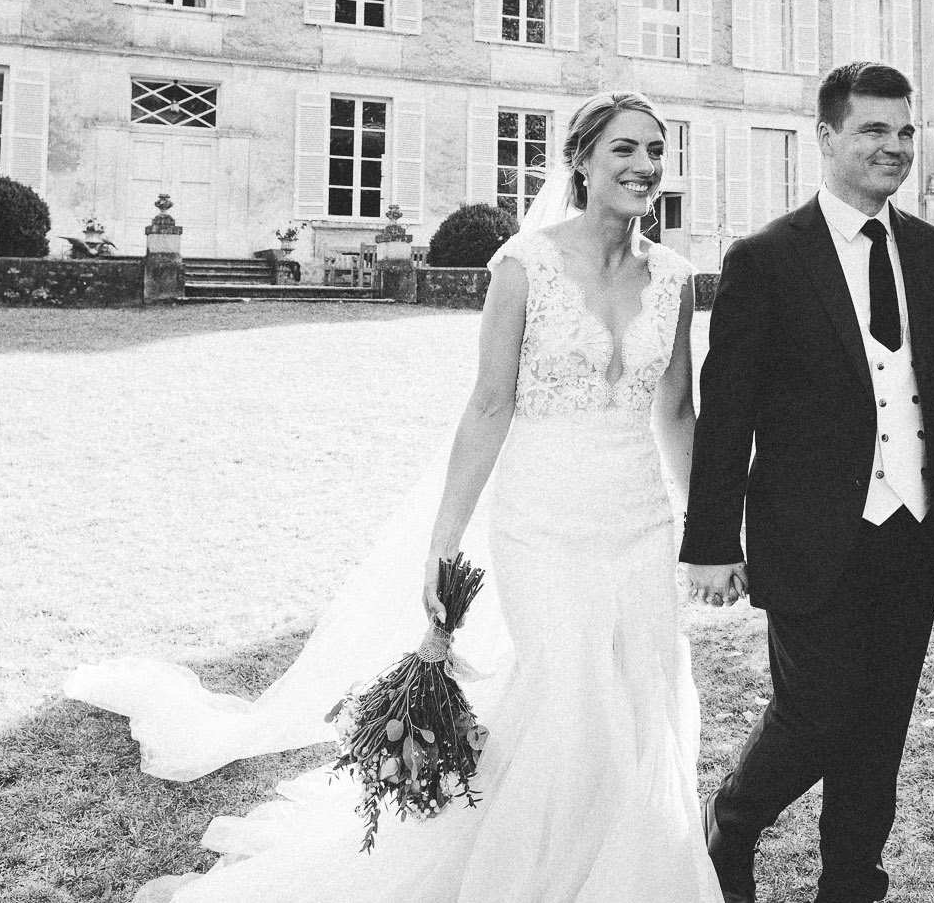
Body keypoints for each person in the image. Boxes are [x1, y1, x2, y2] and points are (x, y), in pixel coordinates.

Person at [66, 90, 722, 902]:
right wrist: (444, 542)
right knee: (567, 700)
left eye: (657, 151)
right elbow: (488, 405)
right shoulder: (525, 266)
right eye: (625, 149)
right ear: (582, 161)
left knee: (644, 703)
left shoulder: (676, 278)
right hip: (542, 524)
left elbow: (677, 410)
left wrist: (713, 533)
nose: (645, 166)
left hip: (640, 523)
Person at [683, 61, 934, 903]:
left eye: (906, 131)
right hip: (807, 534)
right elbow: (726, 415)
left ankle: (852, 883)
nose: (895, 147)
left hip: (913, 532)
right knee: (814, 715)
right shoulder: (764, 260)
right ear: (827, 137)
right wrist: (713, 542)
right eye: (874, 130)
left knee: (878, 732)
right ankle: (731, 821)